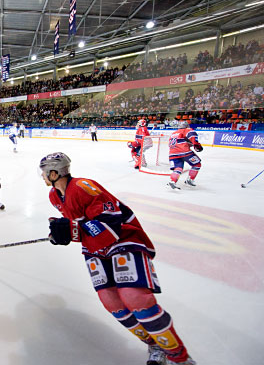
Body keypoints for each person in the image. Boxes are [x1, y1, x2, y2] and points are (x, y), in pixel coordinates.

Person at [38, 152, 196, 365]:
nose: (42, 176)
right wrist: (62, 234)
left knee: (135, 297)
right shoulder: (54, 196)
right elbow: (80, 229)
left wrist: (72, 229)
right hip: (96, 249)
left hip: (123, 240)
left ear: (55, 173)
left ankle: (180, 358)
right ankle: (155, 344)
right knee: (111, 302)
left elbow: (110, 223)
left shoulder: (84, 186)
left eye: (44, 173)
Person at [168, 121, 203, 189]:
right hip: (184, 152)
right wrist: (197, 145)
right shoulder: (187, 130)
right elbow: (193, 137)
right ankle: (190, 180)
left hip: (172, 153)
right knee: (197, 164)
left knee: (178, 168)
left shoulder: (174, 133)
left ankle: (172, 181)